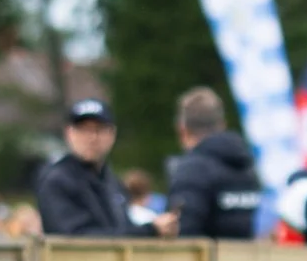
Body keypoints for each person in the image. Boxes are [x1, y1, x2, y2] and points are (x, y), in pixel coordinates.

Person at [36, 99, 171, 240]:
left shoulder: (110, 180)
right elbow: (77, 238)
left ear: (112, 134)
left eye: (99, 130)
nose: (92, 138)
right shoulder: (57, 181)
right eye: (83, 130)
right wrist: (150, 230)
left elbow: (121, 229)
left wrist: (157, 228)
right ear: (69, 133)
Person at [165, 87, 262, 239]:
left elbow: (183, 233)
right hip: (243, 260)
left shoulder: (191, 169)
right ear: (222, 125)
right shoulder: (246, 166)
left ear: (182, 129)